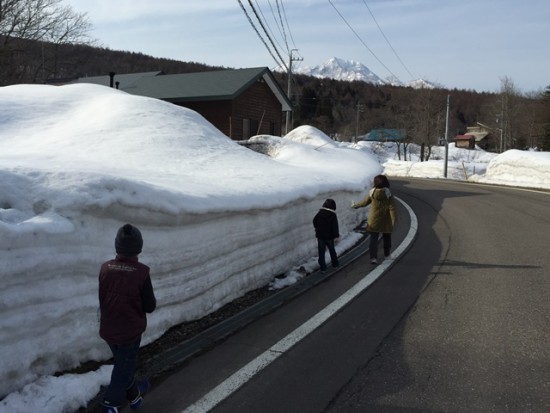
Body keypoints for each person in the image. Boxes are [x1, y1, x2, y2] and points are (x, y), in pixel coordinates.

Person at [98, 223, 157, 413]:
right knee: (122, 369)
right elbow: (150, 306)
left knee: (124, 364)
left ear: (117, 246)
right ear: (138, 247)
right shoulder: (141, 273)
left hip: (108, 329)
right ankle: (110, 404)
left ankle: (134, 396)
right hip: (129, 333)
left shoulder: (105, 268)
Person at [352, 175, 397, 265]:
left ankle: (373, 258)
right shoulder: (388, 193)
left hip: (374, 219)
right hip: (386, 219)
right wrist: (394, 220)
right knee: (387, 238)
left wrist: (355, 205)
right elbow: (392, 207)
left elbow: (364, 202)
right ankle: (387, 255)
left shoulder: (372, 192)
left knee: (373, 239)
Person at [313, 198, 340, 273]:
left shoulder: (320, 213)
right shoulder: (333, 215)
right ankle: (335, 264)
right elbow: (335, 226)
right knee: (332, 250)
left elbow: (314, 221)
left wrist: (317, 228)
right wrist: (336, 235)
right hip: (329, 237)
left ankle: (323, 268)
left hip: (320, 236)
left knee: (321, 252)